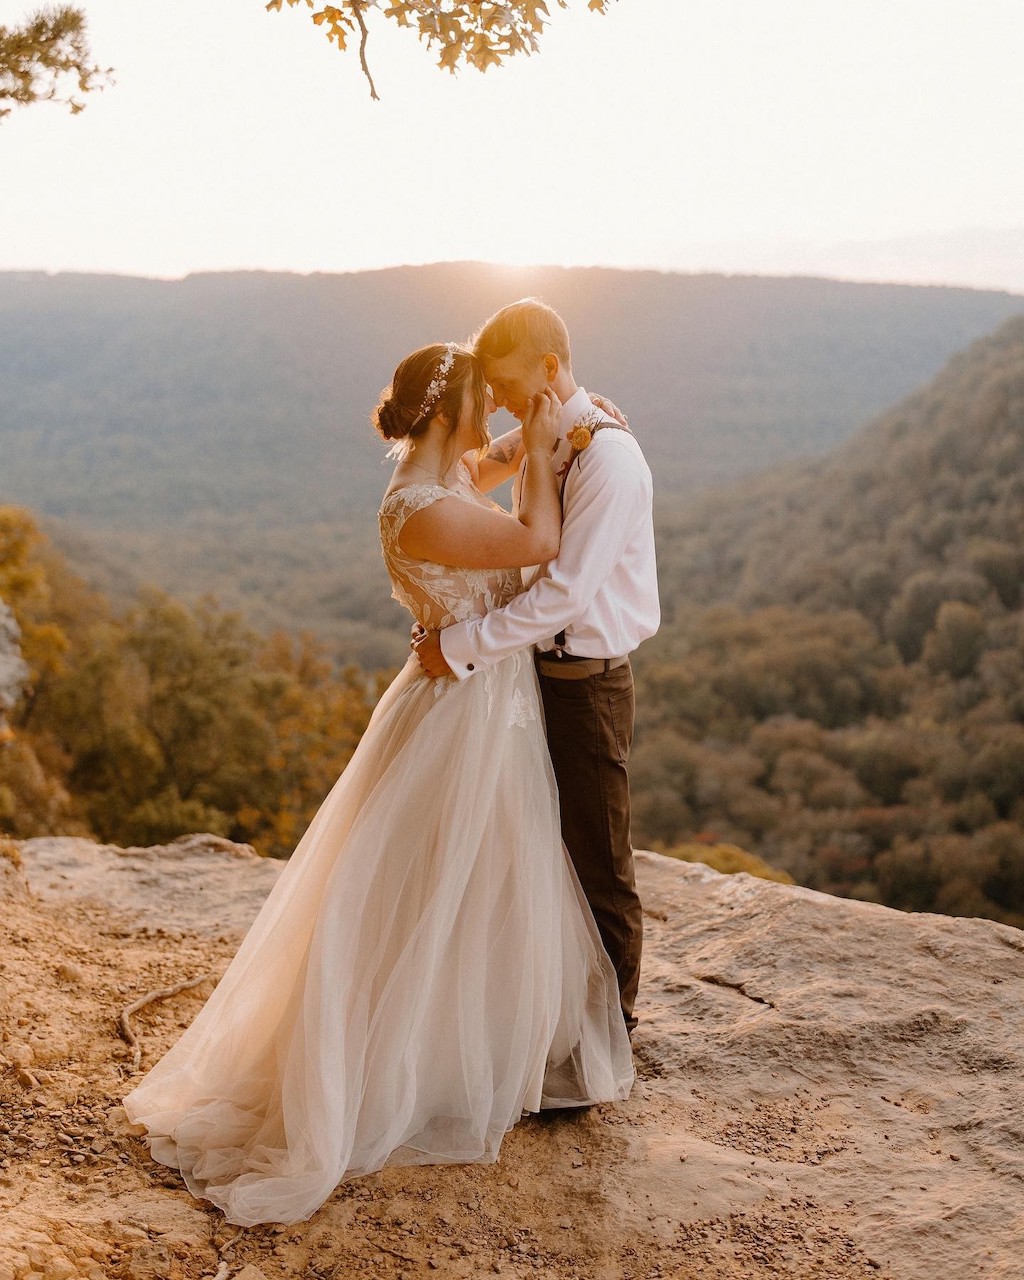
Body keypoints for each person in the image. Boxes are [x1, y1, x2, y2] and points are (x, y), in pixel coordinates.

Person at [121, 340, 634, 1229]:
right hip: (461, 715)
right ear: (444, 414)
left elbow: (498, 459)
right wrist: (552, 455)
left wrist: (575, 423)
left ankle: (466, 1042)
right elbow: (541, 540)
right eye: (483, 401)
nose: (495, 416)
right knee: (426, 884)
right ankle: (388, 1066)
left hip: (481, 699)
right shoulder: (423, 509)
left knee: (478, 883)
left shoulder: (442, 476)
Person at [414, 300, 660, 1036]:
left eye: (506, 384)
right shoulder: (552, 432)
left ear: (549, 368)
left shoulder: (608, 458)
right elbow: (492, 490)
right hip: (530, 683)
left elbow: (564, 593)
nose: (496, 402)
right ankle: (544, 1018)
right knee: (535, 854)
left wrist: (459, 648)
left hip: (586, 684)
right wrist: (534, 440)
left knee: (599, 864)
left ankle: (611, 1033)